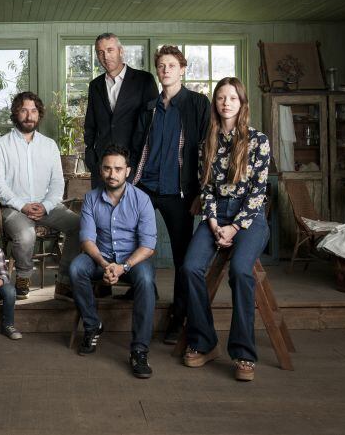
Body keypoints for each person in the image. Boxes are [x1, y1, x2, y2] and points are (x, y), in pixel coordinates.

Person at [180, 77, 271, 382]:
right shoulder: (207, 142)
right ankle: (205, 342)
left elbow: (258, 193)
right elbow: (205, 188)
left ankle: (244, 354)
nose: (226, 102)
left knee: (241, 272)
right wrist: (214, 222)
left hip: (250, 219)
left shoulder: (258, 140)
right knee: (190, 267)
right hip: (216, 217)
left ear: (242, 103)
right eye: (220, 97)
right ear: (215, 104)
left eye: (232, 97)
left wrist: (234, 227)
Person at [130, 45, 210, 344]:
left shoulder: (197, 104)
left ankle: (179, 318)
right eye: (161, 66)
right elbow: (138, 148)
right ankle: (145, 299)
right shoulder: (149, 108)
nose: (165, 70)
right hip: (145, 189)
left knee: (182, 257)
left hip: (180, 193)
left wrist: (201, 191)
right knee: (136, 246)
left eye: (171, 65)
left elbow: (207, 151)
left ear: (182, 69)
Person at [68, 145, 158, 379]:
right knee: (77, 267)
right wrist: (105, 263)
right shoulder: (91, 198)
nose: (112, 174)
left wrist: (123, 267)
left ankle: (139, 349)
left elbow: (148, 245)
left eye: (118, 169)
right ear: (101, 170)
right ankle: (92, 325)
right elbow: (87, 239)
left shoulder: (142, 200)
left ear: (127, 171)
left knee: (147, 279)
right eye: (107, 168)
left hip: (133, 261)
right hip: (101, 257)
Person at [0, 91, 80, 300]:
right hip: (13, 209)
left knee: (79, 226)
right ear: (15, 114)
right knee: (26, 234)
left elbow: (58, 182)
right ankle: (22, 277)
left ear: (39, 114)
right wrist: (22, 206)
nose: (29, 116)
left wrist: (46, 205)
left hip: (46, 206)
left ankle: (64, 282)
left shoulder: (49, 146)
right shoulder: (1, 145)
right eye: (23, 111)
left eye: (33, 111)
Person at [84, 33, 158, 189]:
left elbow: (153, 123)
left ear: (120, 51)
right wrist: (91, 156)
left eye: (110, 50)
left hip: (134, 164)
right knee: (101, 211)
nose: (106, 56)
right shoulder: (95, 85)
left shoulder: (144, 80)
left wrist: (143, 161)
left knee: (130, 211)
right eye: (100, 52)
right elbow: (90, 124)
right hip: (102, 165)